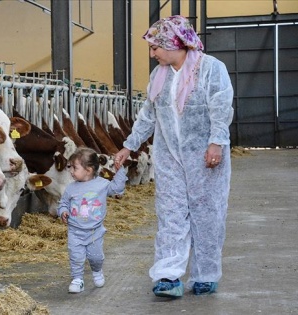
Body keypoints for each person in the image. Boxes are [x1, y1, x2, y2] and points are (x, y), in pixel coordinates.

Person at [114, 15, 234, 298]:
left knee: (208, 214)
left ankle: (205, 274)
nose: (152, 53)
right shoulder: (159, 76)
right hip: (169, 158)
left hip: (206, 156)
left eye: (156, 47)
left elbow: (221, 108)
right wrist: (128, 146)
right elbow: (148, 115)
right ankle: (168, 275)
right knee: (170, 215)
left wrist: (217, 142)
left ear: (174, 43)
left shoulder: (211, 69)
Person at [57, 147, 128, 293]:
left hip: (94, 232)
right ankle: (77, 279)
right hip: (75, 231)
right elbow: (63, 202)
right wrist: (63, 211)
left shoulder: (102, 184)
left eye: (74, 168)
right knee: (76, 257)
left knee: (96, 258)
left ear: (88, 170)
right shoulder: (70, 188)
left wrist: (119, 170)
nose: (71, 171)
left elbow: (117, 188)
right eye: (70, 167)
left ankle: (97, 270)